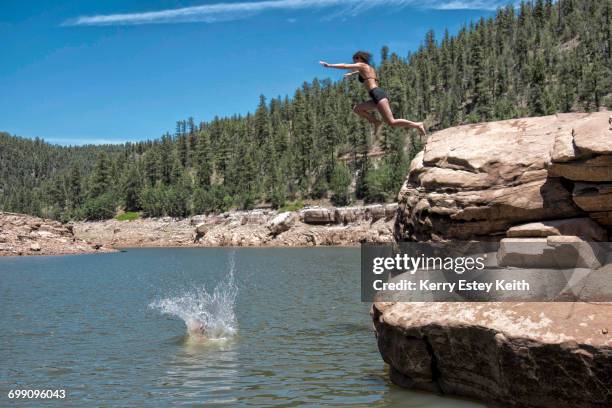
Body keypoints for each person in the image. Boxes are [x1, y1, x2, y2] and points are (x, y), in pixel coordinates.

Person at [320, 51, 426, 139]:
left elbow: (345, 65)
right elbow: (361, 72)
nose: (354, 62)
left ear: (360, 58)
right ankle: (376, 122)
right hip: (375, 95)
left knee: (391, 122)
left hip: (378, 94)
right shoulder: (368, 68)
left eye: (355, 59)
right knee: (357, 109)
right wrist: (352, 74)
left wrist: (329, 65)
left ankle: (417, 124)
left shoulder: (361, 65)